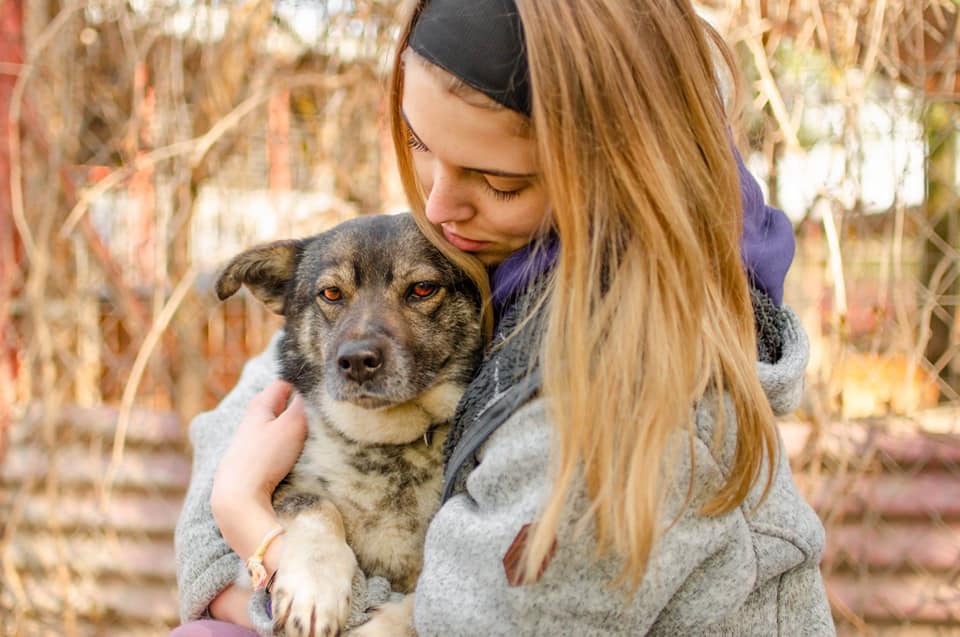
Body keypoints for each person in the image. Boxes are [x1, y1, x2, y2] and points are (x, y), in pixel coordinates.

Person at [173, 0, 834, 635]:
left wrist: (256, 538)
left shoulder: (621, 389)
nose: (436, 206)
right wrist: (245, 521)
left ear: (606, 172)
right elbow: (249, 420)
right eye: (419, 142)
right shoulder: (498, 249)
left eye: (500, 182)